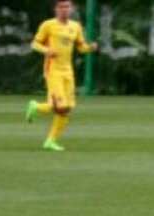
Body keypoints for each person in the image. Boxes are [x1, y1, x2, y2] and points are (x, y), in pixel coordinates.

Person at [24, 0, 98, 151]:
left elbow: (81, 46)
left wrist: (90, 47)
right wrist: (46, 50)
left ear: (71, 8)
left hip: (68, 70)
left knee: (67, 108)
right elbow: (35, 44)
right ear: (55, 9)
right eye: (61, 7)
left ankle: (49, 137)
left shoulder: (75, 26)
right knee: (61, 106)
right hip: (53, 70)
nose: (64, 10)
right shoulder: (48, 25)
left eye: (67, 7)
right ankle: (38, 111)